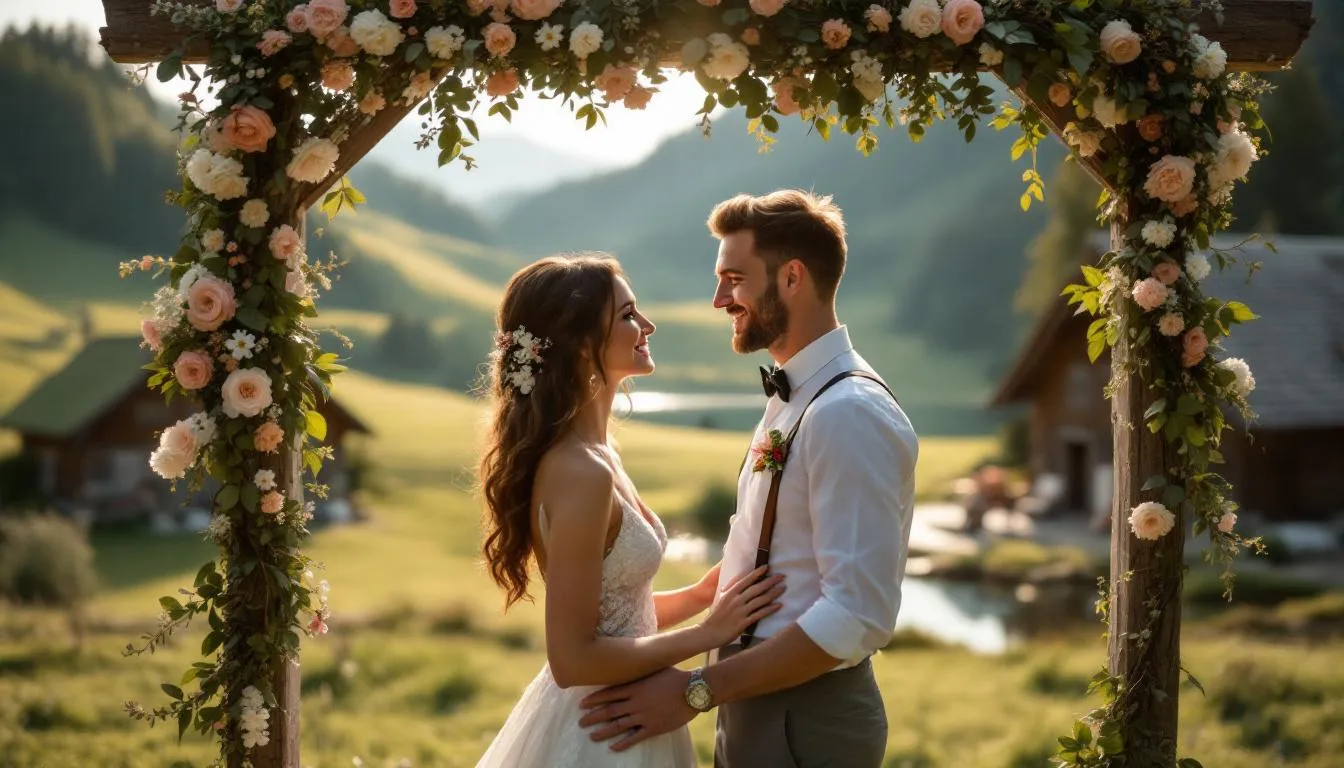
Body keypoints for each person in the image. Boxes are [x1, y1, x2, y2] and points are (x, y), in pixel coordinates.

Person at [579, 191, 919, 767]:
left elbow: (857, 613)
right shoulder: (798, 396)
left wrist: (697, 691)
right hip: (758, 696)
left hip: (803, 713)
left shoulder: (848, 412)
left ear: (792, 278)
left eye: (733, 279)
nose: (718, 299)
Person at [475, 253, 786, 768]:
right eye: (627, 315)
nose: (647, 326)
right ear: (580, 343)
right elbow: (573, 657)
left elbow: (618, 617)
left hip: (629, 713)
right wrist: (707, 634)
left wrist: (704, 594)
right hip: (601, 730)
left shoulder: (601, 454)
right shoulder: (581, 471)